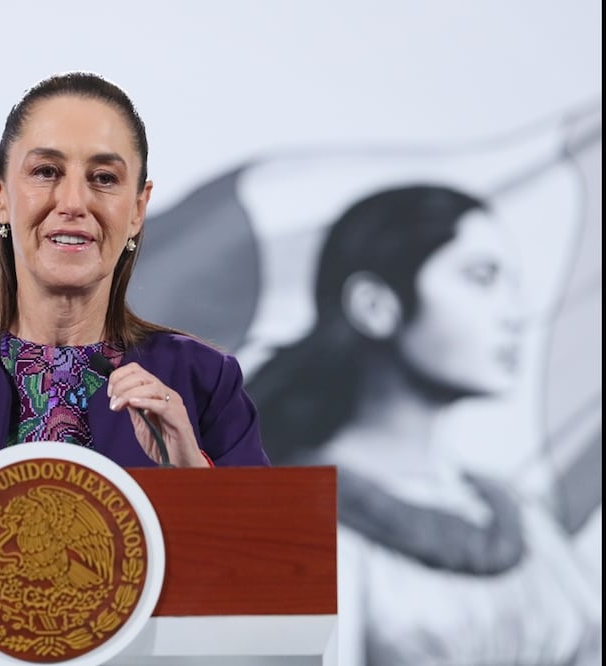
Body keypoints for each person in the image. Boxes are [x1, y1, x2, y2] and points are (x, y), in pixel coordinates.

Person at [247, 185, 601, 665]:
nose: (516, 314)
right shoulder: (288, 522)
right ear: (375, 305)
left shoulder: (520, 518)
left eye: (513, 284)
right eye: (481, 278)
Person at [0, 72, 268, 472]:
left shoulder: (204, 380)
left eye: (103, 177)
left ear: (138, 208)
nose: (73, 202)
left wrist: (195, 474)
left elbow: (269, 545)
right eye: (46, 172)